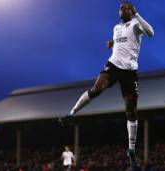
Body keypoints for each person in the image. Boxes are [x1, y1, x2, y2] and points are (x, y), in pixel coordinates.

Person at [65, 0, 154, 167]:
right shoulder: (116, 28)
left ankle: (131, 148)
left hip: (130, 71)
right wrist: (114, 45)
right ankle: (71, 113)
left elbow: (151, 33)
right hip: (113, 65)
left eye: (124, 7)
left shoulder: (136, 23)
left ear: (130, 10)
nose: (120, 9)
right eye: (119, 8)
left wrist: (137, 14)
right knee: (96, 90)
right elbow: (121, 45)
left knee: (131, 110)